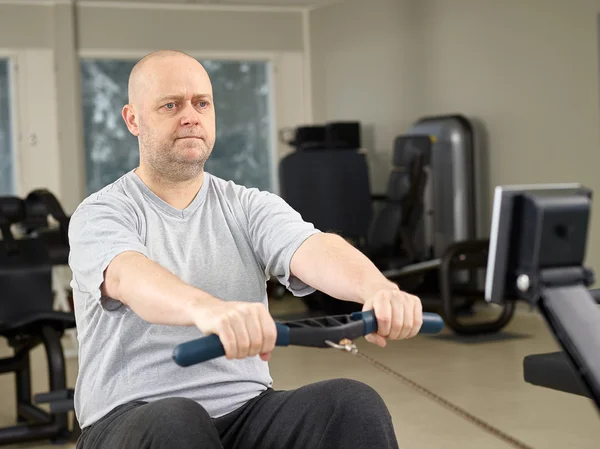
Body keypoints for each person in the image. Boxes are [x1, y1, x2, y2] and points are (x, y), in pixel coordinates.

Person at [68, 49, 423, 449]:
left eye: (201, 103)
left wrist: (376, 289)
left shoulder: (248, 205)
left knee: (352, 404)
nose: (191, 116)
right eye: (171, 105)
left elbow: (312, 247)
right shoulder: (101, 213)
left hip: (245, 412)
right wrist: (207, 309)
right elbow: (127, 275)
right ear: (133, 119)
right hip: (129, 420)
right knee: (178, 419)